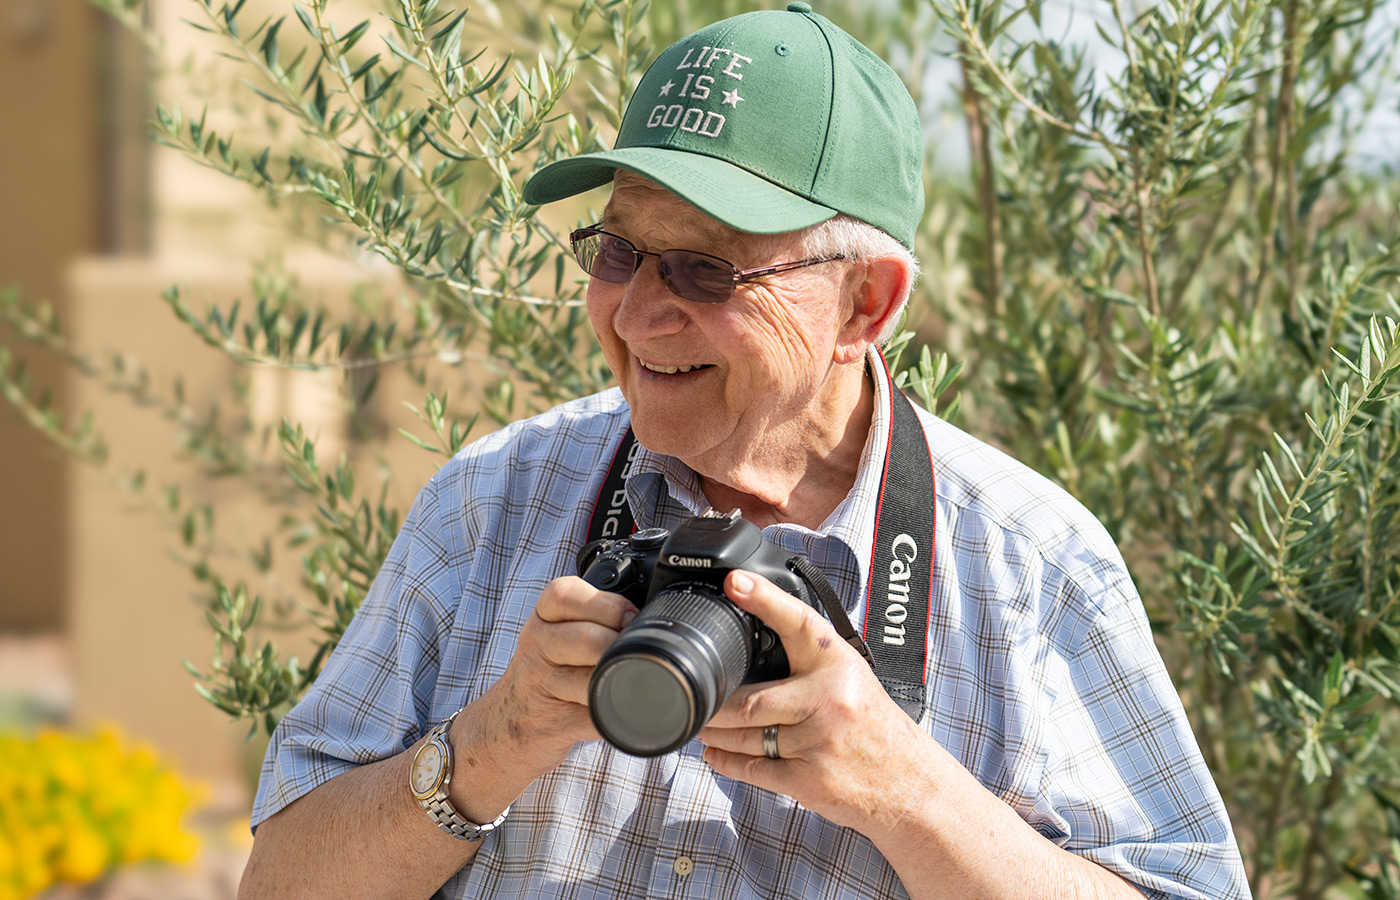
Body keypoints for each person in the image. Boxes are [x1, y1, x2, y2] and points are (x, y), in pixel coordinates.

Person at [240, 4, 1252, 899]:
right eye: (616, 251)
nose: (636, 314)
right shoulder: (489, 502)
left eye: (704, 270)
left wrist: (906, 793)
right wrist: (490, 744)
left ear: (864, 302)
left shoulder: (1032, 564)